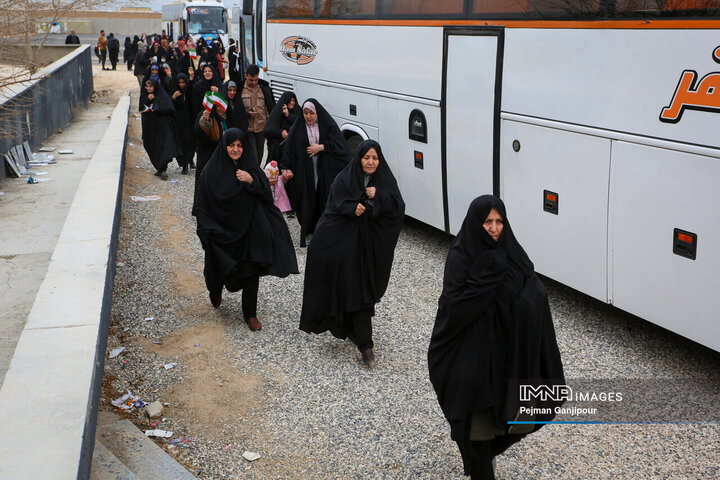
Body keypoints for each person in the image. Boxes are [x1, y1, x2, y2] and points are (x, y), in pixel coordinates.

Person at [427, 195, 565, 480]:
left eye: (499, 221)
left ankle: (485, 456)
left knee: (522, 419)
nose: (493, 228)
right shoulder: (461, 256)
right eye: (487, 221)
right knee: (475, 428)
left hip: (508, 355)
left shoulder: (513, 252)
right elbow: (453, 306)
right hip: (471, 356)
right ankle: (480, 461)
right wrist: (486, 278)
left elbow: (533, 289)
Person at [299, 140, 404, 364]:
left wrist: (380, 196)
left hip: (369, 249)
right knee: (356, 289)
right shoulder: (345, 178)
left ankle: (358, 334)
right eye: (366, 157)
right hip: (346, 247)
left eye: (375, 158)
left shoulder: (385, 180)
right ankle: (366, 346)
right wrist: (351, 208)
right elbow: (333, 207)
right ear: (359, 158)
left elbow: (397, 208)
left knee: (360, 288)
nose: (371, 162)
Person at [193, 128, 299, 332]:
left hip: (248, 229)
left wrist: (251, 180)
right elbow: (201, 204)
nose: (235, 149)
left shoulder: (251, 167)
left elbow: (266, 197)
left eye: (239, 145)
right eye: (231, 145)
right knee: (217, 268)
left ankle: (250, 314)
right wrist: (204, 230)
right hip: (220, 231)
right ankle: (215, 290)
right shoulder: (211, 171)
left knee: (251, 269)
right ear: (224, 147)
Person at [280, 98, 351, 247]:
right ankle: (308, 232)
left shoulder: (327, 125)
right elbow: (289, 150)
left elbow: (341, 146)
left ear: (317, 113)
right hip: (304, 173)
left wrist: (322, 147)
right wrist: (286, 168)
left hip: (324, 172)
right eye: (305, 113)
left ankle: (324, 233)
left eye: (311, 113)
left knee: (323, 199)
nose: (308, 116)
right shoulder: (298, 127)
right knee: (306, 201)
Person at [139, 78, 181, 180]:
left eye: (151, 86)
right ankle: (159, 167)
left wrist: (157, 108)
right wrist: (148, 100)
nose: (149, 88)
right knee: (150, 146)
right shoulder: (145, 96)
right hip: (150, 128)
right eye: (147, 86)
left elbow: (168, 108)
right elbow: (141, 108)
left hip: (162, 128)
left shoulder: (162, 96)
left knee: (163, 147)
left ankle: (163, 169)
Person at [241, 64, 275, 166]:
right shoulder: (239, 89)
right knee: (253, 156)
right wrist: (247, 114)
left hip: (261, 128)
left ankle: (255, 177)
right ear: (246, 76)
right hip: (247, 129)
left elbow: (270, 106)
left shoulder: (264, 89)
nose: (254, 82)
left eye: (256, 80)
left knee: (259, 156)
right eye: (251, 80)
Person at [263, 91, 299, 168]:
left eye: (293, 100)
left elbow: (299, 124)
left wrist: (288, 115)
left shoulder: (298, 111)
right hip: (277, 151)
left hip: (292, 151)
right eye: (290, 100)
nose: (292, 103)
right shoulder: (277, 113)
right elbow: (267, 130)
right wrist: (280, 133)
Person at [172, 73, 195, 175]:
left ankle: (190, 160)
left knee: (190, 141)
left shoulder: (189, 92)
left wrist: (191, 77)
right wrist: (173, 98)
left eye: (183, 82)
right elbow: (170, 107)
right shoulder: (175, 92)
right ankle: (184, 164)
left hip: (189, 121)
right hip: (179, 122)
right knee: (181, 142)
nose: (181, 85)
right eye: (180, 83)